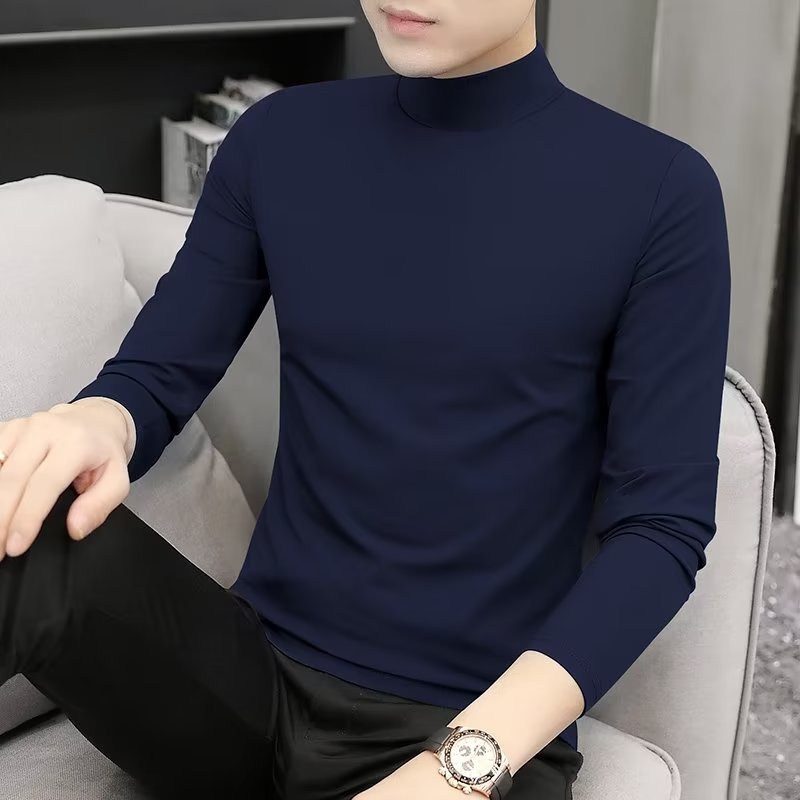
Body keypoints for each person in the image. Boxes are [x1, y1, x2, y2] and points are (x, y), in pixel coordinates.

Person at [0, 0, 731, 798]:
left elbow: (660, 529)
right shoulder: (282, 138)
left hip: (467, 720)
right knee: (17, 514)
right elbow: (159, 370)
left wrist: (461, 766)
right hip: (247, 685)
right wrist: (99, 419)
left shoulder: (660, 191)